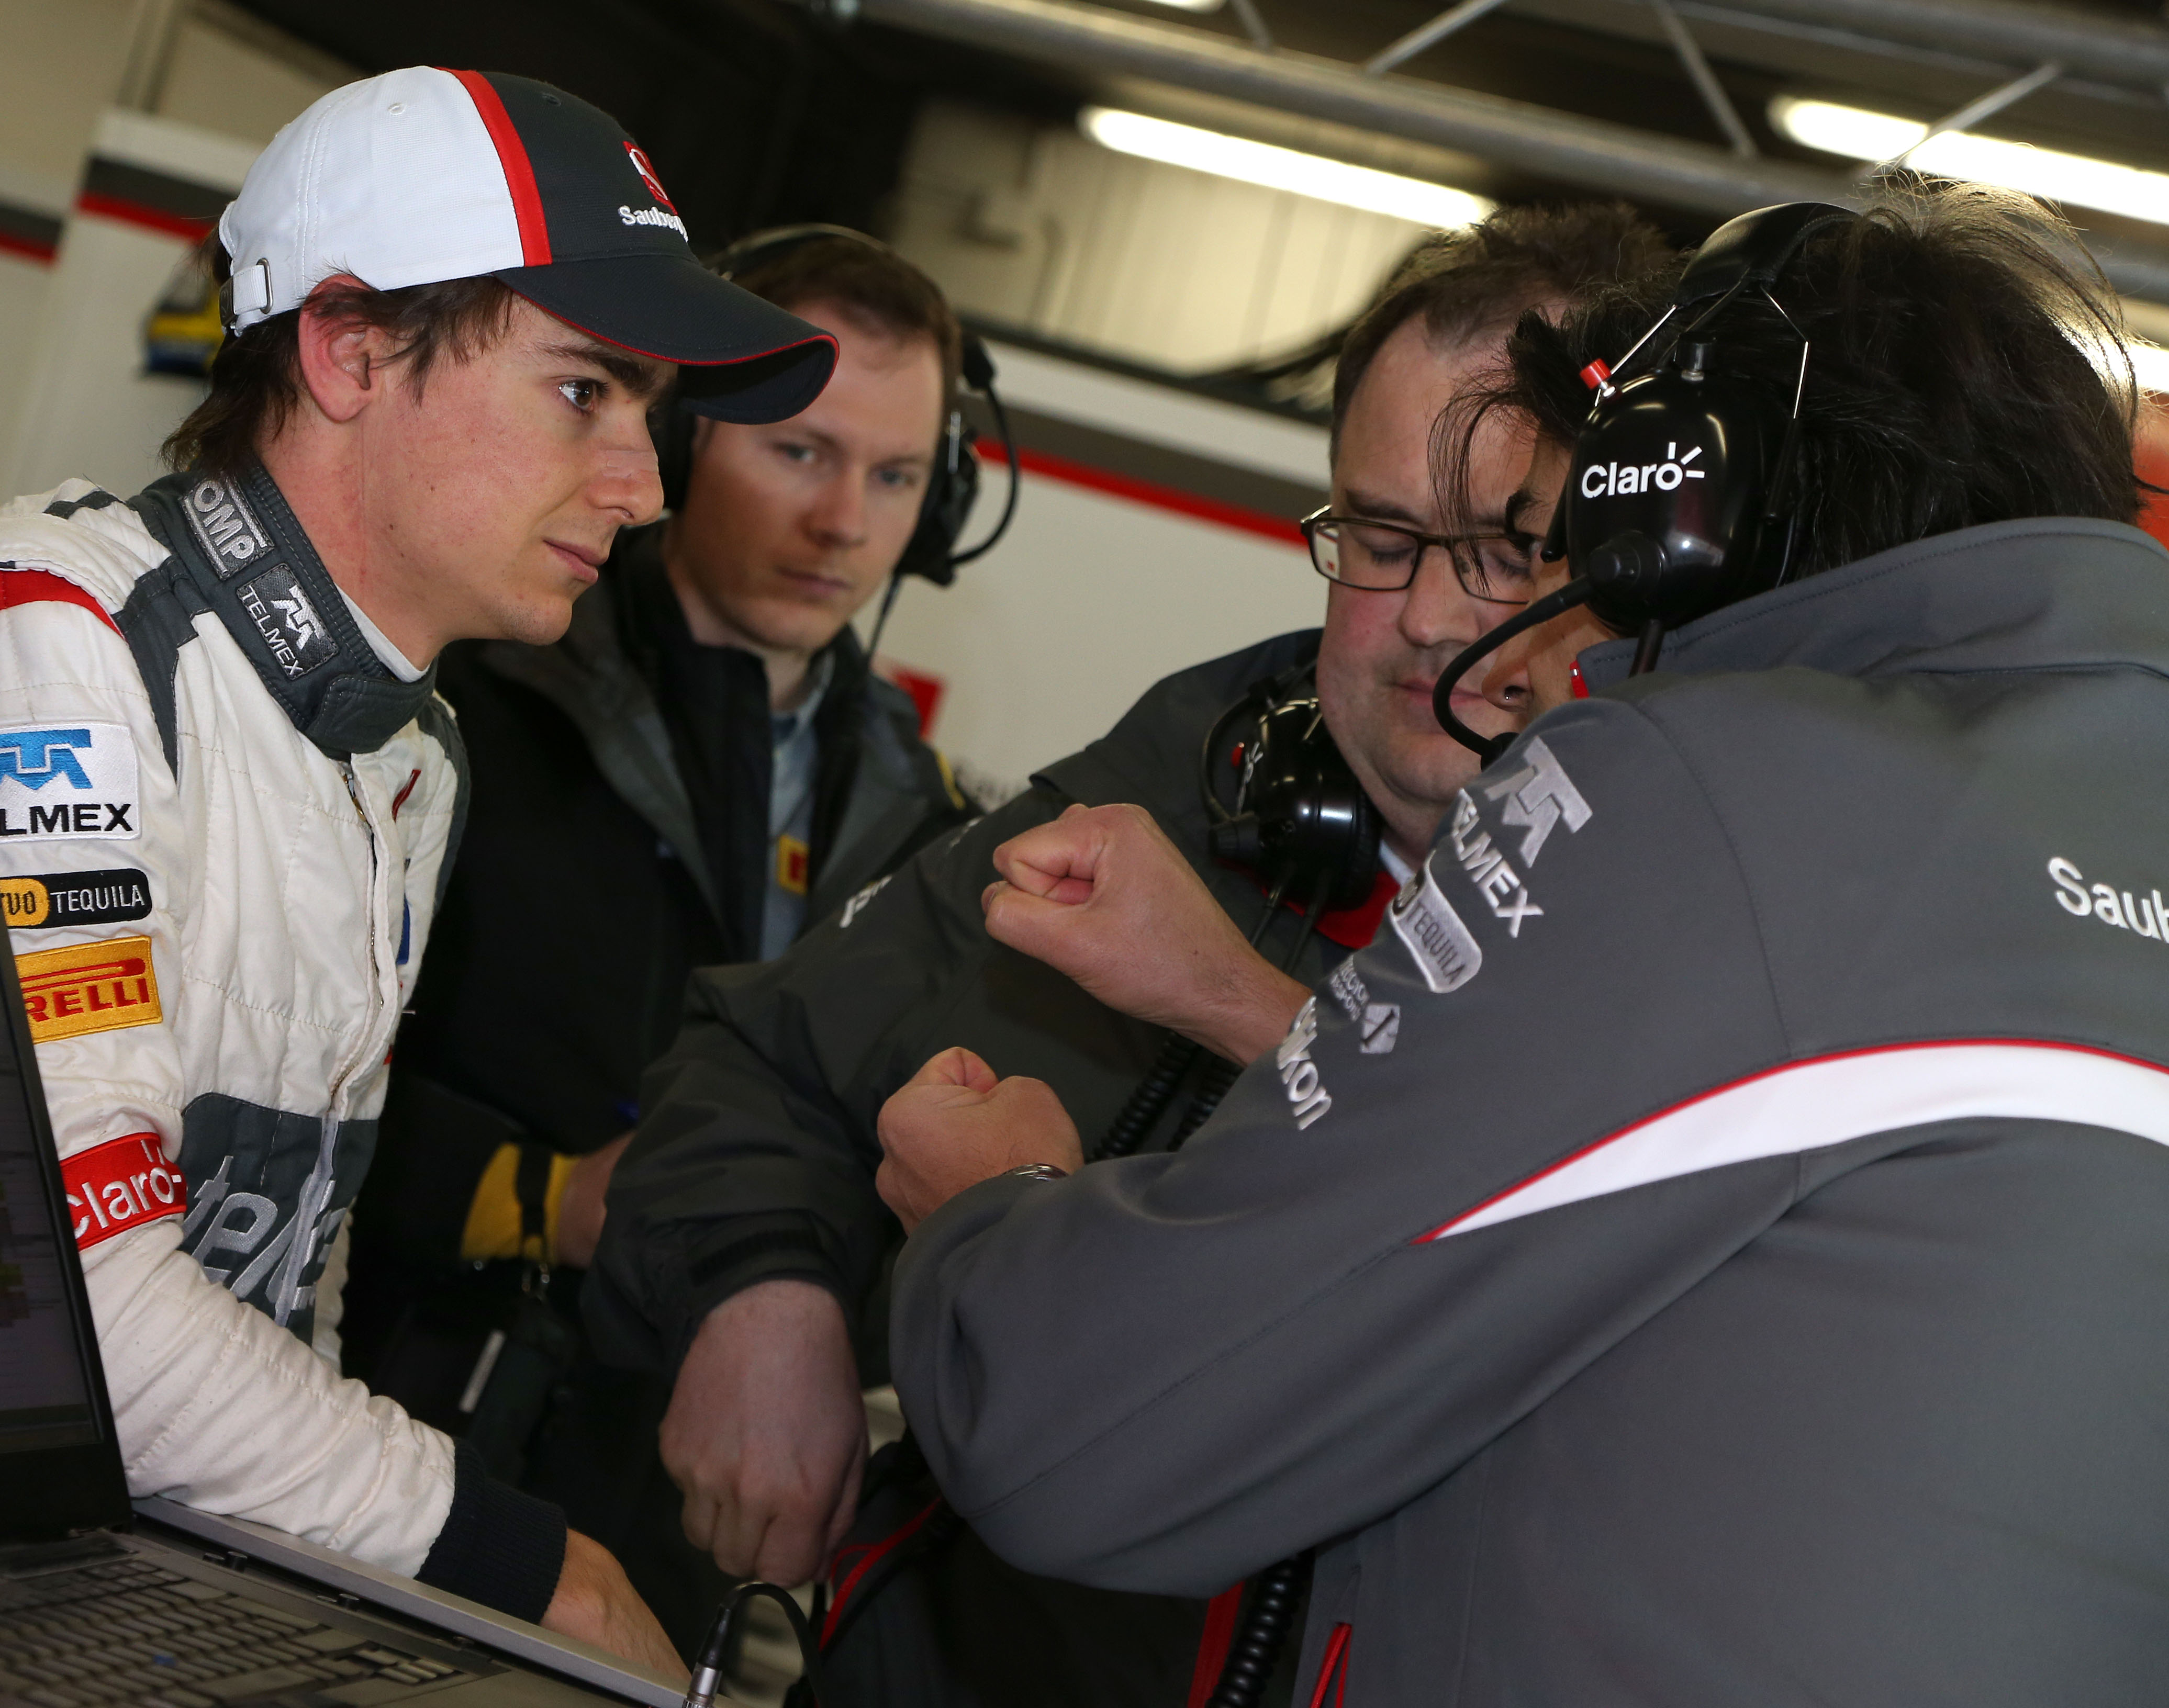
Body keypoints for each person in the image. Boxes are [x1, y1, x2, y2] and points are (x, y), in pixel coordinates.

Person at [877, 178, 2169, 1704]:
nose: (1504, 633)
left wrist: (997, 1213)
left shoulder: (1707, 782)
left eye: (1556, 546)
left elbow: (1080, 1429)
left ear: (1670, 514)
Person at [0, 66, 840, 1679]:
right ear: (348, 349)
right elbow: (51, 1303)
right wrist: (514, 1563)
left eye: (649, 414)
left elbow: (281, 1292)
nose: (641, 488)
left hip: (112, 1606)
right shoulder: (45, 657)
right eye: (583, 392)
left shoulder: (406, 755)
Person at [581, 202, 1674, 1699]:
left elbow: (1575, 1280)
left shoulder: (1718, 901)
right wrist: (758, 1295)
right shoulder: (1212, 768)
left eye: (1504, 550)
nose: (1427, 618)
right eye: (1378, 540)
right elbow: (764, 1063)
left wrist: (1232, 1006)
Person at [337, 229, 977, 1646]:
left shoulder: (932, 829)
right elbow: (277, 1079)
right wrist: (536, 1196)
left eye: (895, 477)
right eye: (800, 453)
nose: (845, 525)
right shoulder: (470, 703)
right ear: (680, 436)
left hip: (680, 1533)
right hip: (395, 1446)